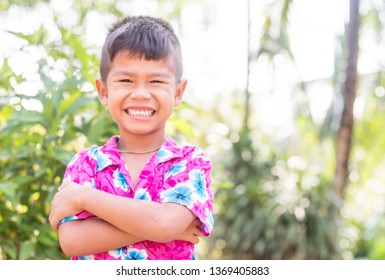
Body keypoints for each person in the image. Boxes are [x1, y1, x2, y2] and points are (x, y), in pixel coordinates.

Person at [48, 15, 214, 260]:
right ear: (104, 92)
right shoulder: (87, 163)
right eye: (126, 80)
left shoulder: (191, 162)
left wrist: (83, 197)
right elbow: (72, 241)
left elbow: (165, 224)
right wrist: (159, 228)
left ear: (178, 93)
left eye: (156, 81)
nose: (140, 93)